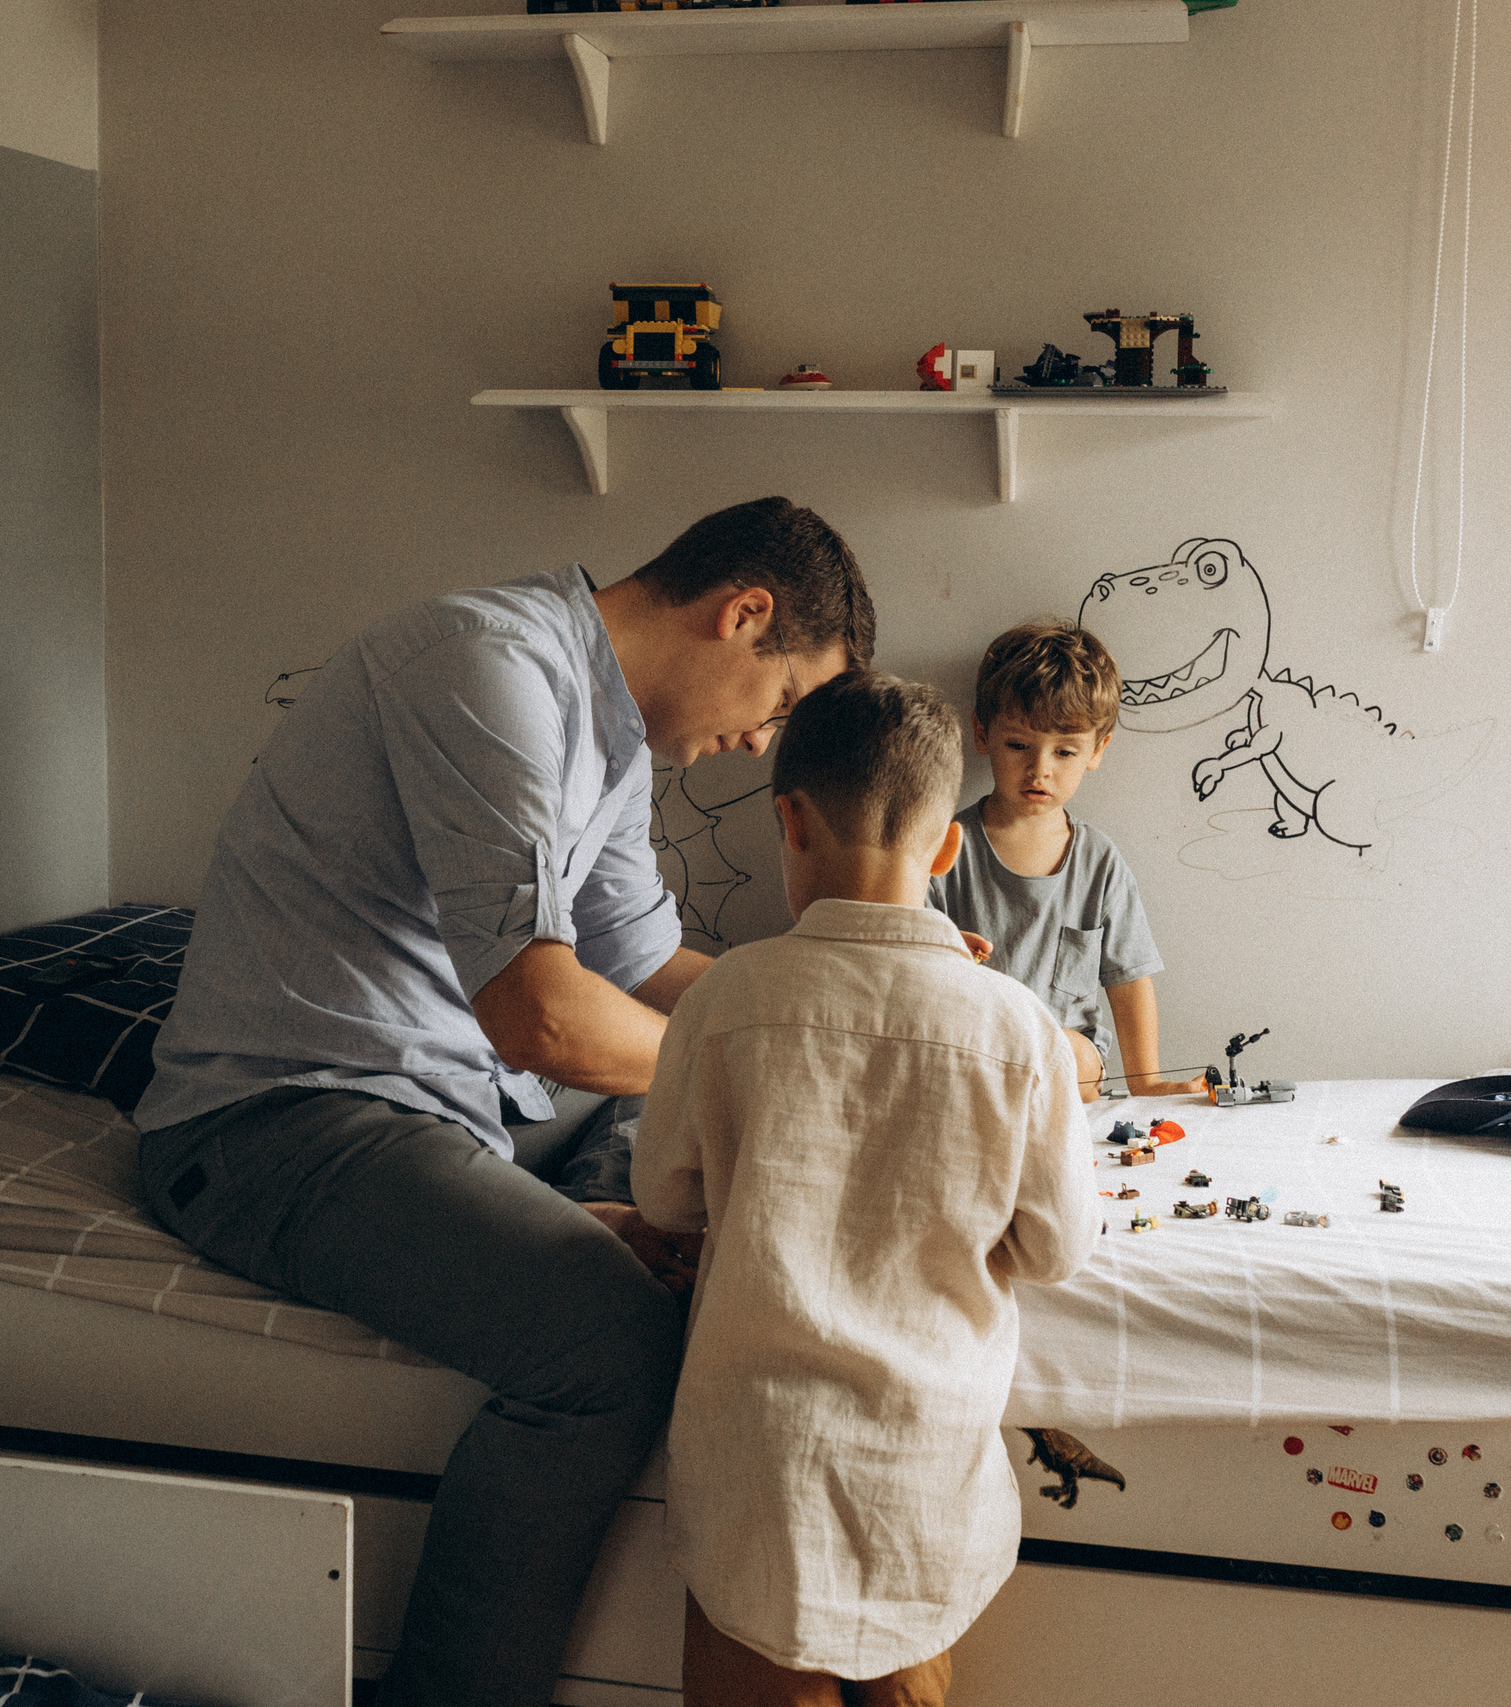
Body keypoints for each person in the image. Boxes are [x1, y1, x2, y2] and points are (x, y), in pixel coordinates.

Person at [132, 497, 873, 1707]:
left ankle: (573, 1226)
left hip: (455, 1109)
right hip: (283, 1122)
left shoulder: (615, 738)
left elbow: (649, 973)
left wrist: (859, 1010)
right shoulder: (487, 668)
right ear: (744, 615)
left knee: (665, 1154)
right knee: (611, 1341)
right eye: (779, 702)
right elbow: (543, 1019)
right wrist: (779, 1070)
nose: (760, 743)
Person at [631, 671, 1102, 1707]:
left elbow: (663, 1199)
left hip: (757, 1464)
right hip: (919, 1467)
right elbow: (1060, 1247)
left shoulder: (728, 998)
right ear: (947, 848)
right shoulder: (1017, 1027)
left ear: (788, 820)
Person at [929, 621, 1199, 1098]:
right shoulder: (944, 847)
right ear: (982, 733)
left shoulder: (1099, 862)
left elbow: (1129, 981)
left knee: (1068, 1052)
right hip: (975, 1056)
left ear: (1097, 751)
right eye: (1018, 745)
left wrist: (1147, 1081)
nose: (1040, 769)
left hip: (1072, 1067)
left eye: (1066, 751)